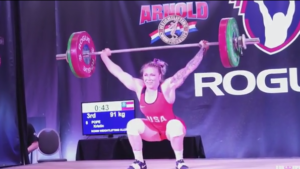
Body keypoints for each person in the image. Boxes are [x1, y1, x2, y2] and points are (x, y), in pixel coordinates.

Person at [100, 40, 209, 169]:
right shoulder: (139, 87)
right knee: (132, 125)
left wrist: (202, 50)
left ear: (159, 76)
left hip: (170, 129)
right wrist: (104, 57)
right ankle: (140, 162)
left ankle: (180, 162)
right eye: (146, 75)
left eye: (152, 75)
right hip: (152, 131)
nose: (148, 78)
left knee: (175, 125)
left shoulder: (167, 86)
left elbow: (187, 69)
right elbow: (118, 73)